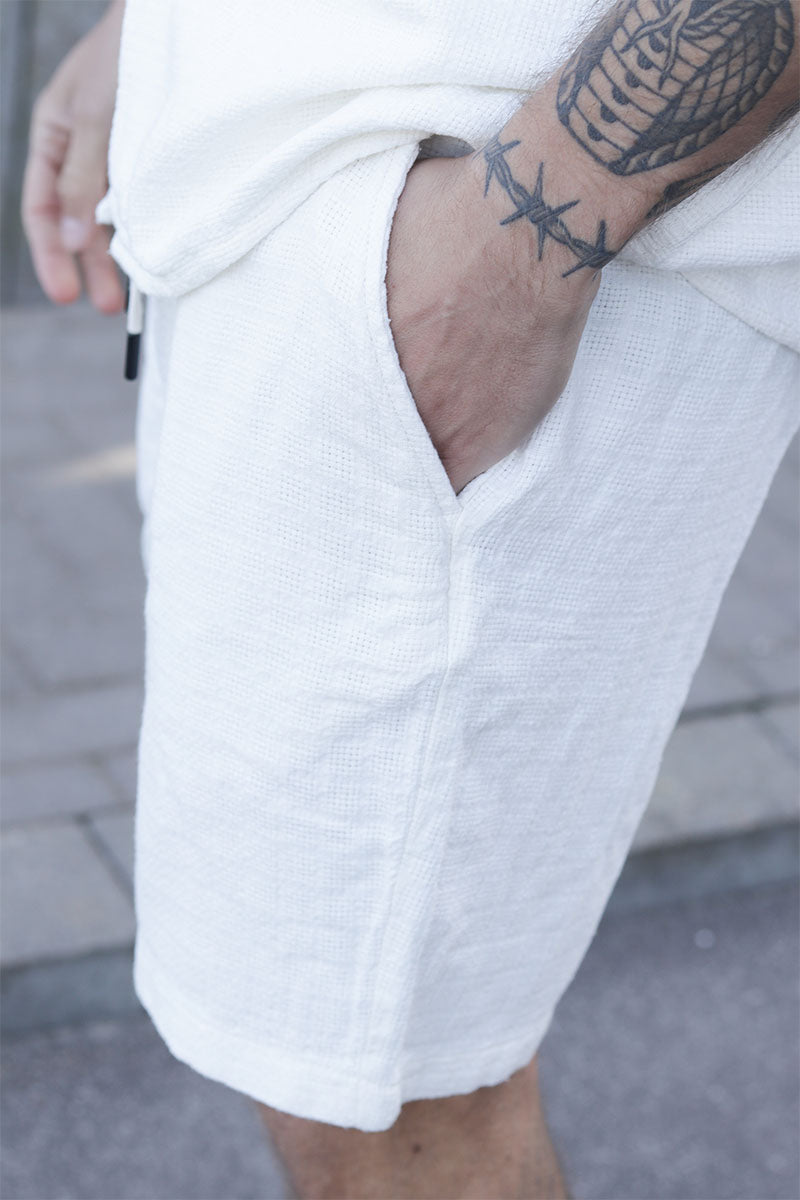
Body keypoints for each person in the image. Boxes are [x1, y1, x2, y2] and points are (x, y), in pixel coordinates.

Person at [22, 1, 799, 1196]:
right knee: (313, 1042)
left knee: (394, 1105)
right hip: (295, 173)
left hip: (506, 214)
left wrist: (532, 223)